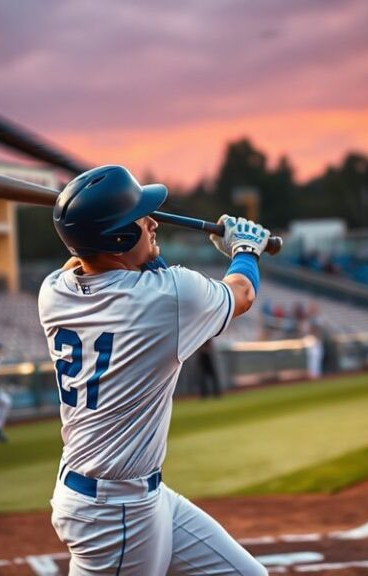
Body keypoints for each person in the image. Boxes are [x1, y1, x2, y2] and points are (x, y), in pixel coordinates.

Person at [38, 165, 269, 575]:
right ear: (119, 239)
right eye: (141, 219)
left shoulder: (54, 292)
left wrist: (84, 218)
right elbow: (243, 292)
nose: (153, 221)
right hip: (115, 512)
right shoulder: (170, 298)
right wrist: (245, 248)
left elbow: (97, 261)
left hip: (130, 494)